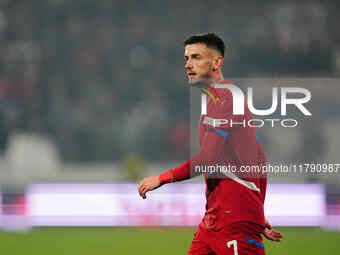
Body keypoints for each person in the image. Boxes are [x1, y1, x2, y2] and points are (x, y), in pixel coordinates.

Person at [138, 33, 282, 255]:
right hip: (215, 220)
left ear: (217, 62)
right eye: (186, 58)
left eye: (196, 57)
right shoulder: (217, 99)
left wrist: (161, 178)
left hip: (234, 221)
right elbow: (259, 159)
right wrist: (258, 212)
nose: (188, 65)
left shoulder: (226, 98)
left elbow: (207, 159)